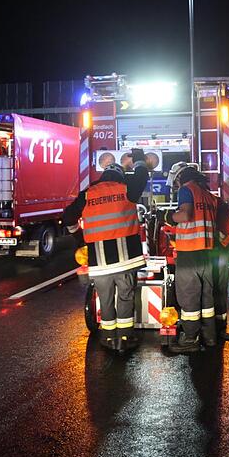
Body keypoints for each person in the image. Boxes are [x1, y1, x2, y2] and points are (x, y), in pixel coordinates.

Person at [63, 150, 153, 351]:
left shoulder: (87, 194)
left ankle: (108, 338)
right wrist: (138, 156)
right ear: (120, 176)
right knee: (125, 297)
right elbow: (142, 174)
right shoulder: (126, 189)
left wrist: (79, 238)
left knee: (105, 299)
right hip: (126, 259)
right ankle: (125, 339)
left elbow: (68, 217)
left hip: (99, 262)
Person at [165, 162, 229, 354]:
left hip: (189, 254)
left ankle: (190, 338)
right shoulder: (209, 197)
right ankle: (209, 337)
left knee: (189, 297)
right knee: (206, 295)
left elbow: (185, 215)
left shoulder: (187, 190)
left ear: (181, 177)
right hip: (207, 252)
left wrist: (169, 217)